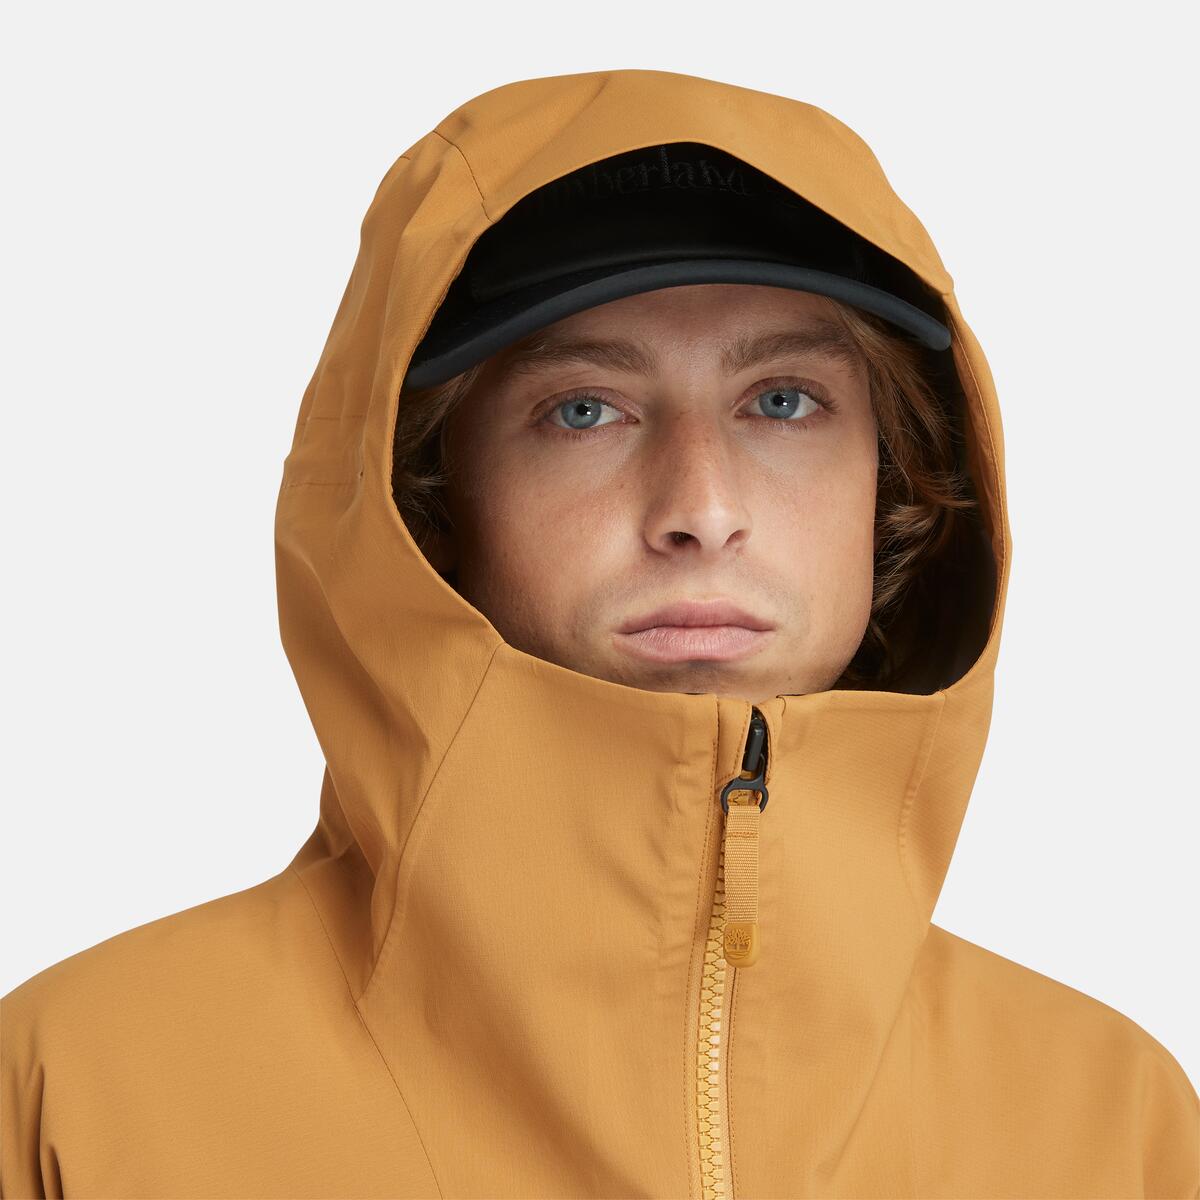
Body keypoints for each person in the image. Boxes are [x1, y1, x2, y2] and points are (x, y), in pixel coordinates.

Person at [2, 68, 1196, 1199]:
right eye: (584, 409)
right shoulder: (89, 1094)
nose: (703, 509)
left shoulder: (1109, 1121)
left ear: (895, 481)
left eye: (784, 401)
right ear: (424, 496)